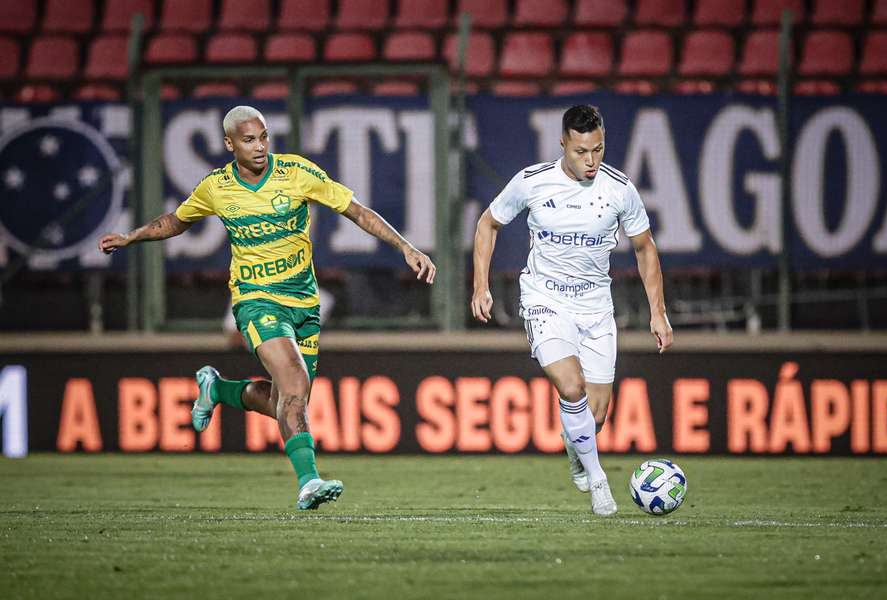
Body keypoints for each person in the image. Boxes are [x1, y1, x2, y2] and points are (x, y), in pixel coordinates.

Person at [100, 106, 436, 510]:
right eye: (248, 140)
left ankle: (218, 388)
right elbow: (177, 220)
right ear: (229, 144)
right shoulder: (216, 187)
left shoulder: (296, 173)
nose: (259, 147)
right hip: (256, 298)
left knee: (286, 402)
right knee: (295, 383)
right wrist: (132, 236)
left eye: (263, 137)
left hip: (303, 302)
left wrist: (405, 246)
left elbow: (356, 211)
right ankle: (309, 481)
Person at [470, 104, 673, 516]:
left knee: (595, 415)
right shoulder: (531, 182)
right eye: (581, 151)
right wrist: (480, 286)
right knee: (570, 387)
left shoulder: (619, 189)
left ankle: (576, 446)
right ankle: (598, 480)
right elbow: (487, 224)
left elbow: (644, 247)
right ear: (563, 144)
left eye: (597, 150)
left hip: (596, 306)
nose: (591, 160)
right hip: (545, 299)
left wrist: (658, 311)